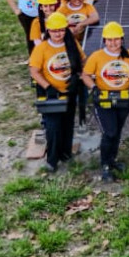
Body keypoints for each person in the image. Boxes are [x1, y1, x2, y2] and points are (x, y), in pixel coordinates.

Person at [81, 21, 129, 182]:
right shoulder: (96, 56)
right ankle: (105, 166)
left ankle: (112, 160)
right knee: (109, 133)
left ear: (122, 39)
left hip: (123, 100)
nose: (113, 43)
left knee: (117, 132)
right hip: (104, 101)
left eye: (116, 39)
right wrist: (94, 88)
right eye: (109, 39)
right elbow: (85, 75)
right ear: (104, 41)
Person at [28, 12, 85, 173]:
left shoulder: (72, 43)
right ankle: (52, 159)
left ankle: (66, 153)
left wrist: (77, 76)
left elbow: (82, 60)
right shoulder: (42, 48)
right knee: (53, 128)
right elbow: (34, 71)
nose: (58, 34)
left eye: (61, 30)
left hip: (70, 93)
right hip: (52, 96)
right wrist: (48, 87)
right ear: (48, 31)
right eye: (54, 31)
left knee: (68, 125)